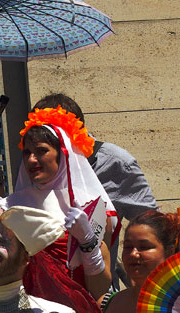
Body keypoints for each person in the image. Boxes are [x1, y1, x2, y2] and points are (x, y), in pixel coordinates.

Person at [0, 107, 117, 313]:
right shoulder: (9, 206)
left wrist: (88, 243)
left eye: (41, 151)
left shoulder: (92, 211)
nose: (32, 159)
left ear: (63, 153)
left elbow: (99, 289)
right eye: (26, 152)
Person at [34, 93, 157, 288]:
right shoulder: (33, 166)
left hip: (98, 296)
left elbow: (151, 227)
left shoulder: (116, 163)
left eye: (47, 144)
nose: (35, 157)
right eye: (33, 147)